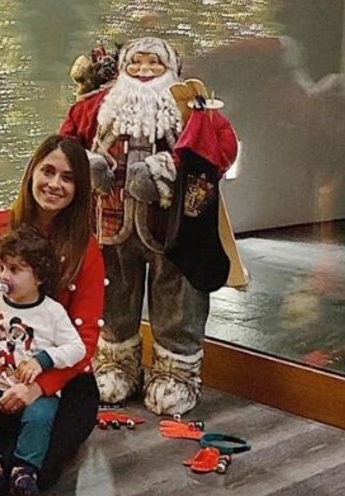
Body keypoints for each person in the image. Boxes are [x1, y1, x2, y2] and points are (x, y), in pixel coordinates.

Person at [59, 36, 241, 416]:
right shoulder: (95, 107)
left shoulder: (191, 109)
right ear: (122, 67)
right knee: (112, 295)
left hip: (172, 231)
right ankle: (115, 364)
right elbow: (65, 144)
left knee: (177, 299)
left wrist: (166, 169)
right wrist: (86, 164)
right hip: (110, 227)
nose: (143, 71)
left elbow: (222, 149)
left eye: (153, 64)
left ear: (170, 69)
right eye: (136, 63)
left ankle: (177, 372)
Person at [0, 135, 106, 488]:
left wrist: (39, 388)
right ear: (31, 172)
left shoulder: (86, 252)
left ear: (79, 189)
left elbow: (84, 342)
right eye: (47, 171)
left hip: (61, 381)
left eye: (67, 178)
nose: (54, 184)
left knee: (31, 472)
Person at [0, 227, 87, 495]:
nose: (4, 276)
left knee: (39, 417)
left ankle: (25, 469)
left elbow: (77, 348)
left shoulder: (52, 312)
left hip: (38, 393)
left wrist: (44, 361)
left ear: (39, 276)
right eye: (2, 268)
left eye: (15, 270)